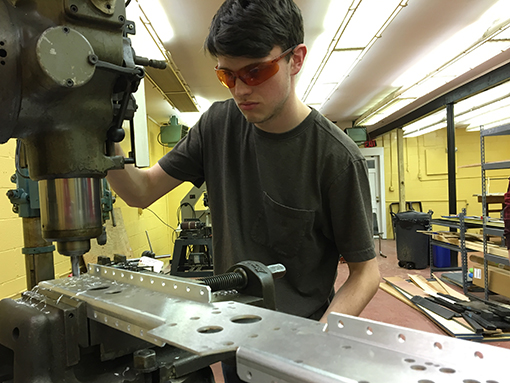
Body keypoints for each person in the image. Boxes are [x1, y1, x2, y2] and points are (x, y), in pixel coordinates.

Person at [108, 0, 380, 381]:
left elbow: (366, 272)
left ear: (295, 59)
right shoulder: (217, 125)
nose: (240, 89)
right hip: (232, 334)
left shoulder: (335, 158)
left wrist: (318, 340)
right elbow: (140, 191)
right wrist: (102, 133)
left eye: (255, 72)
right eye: (226, 76)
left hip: (299, 345)